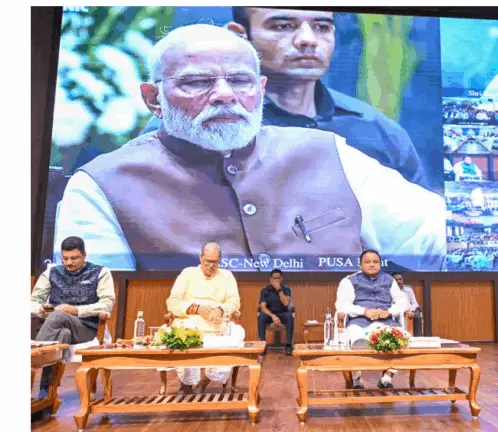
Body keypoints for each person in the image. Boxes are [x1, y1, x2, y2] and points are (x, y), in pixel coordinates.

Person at [54, 24, 448, 272]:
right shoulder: (101, 186)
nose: (225, 95)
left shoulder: (331, 153)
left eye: (241, 81)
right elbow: (96, 308)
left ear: (259, 92)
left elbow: (436, 238)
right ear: (153, 99)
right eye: (197, 82)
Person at [140, 7, 428, 189]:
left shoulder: (377, 130)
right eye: (283, 26)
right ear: (241, 36)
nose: (308, 39)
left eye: (322, 27)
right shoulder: (191, 126)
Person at [30, 236, 115, 397]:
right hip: (56, 328)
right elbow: (32, 301)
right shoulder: (51, 273)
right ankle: (45, 395)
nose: (69, 263)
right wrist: (39, 309)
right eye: (65, 258)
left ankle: (33, 359)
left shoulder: (101, 273)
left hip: (86, 328)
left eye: (74, 258)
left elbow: (107, 304)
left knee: (58, 316)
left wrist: (75, 310)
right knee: (63, 334)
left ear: (84, 255)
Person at [163, 242, 244, 393]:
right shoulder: (188, 273)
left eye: (215, 262)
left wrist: (221, 309)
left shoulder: (226, 276)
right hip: (189, 322)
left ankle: (204, 382)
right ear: (201, 258)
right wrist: (196, 309)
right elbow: (172, 301)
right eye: (208, 261)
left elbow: (234, 301)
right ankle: (186, 384)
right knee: (179, 338)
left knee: (235, 337)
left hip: (216, 324)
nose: (211, 266)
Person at [336, 250, 409, 389]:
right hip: (360, 322)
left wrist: (388, 312)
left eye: (375, 262)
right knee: (353, 338)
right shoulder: (349, 281)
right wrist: (364, 311)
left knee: (404, 338)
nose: (371, 265)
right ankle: (357, 378)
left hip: (386, 321)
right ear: (360, 265)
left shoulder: (389, 280)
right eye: (367, 262)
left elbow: (402, 301)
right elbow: (342, 305)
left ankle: (387, 378)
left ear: (380, 264)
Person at [257, 268, 294, 355]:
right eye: (274, 278)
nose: (276, 280)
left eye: (278, 278)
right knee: (261, 316)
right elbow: (263, 307)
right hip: (269, 314)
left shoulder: (286, 289)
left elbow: (285, 303)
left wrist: (279, 290)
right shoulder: (265, 290)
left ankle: (288, 345)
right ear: (270, 279)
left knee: (289, 316)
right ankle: (263, 345)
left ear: (282, 279)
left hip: (282, 313)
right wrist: (273, 316)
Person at [391, 272, 423, 336]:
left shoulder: (409, 290)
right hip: (394, 312)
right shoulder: (389, 291)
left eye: (400, 279)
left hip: (408, 311)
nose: (399, 281)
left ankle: (416, 338)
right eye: (396, 280)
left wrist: (409, 309)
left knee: (417, 317)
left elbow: (415, 304)